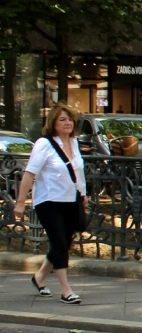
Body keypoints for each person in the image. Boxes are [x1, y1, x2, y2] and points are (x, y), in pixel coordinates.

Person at [13, 104, 87, 304]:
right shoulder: (44, 144)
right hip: (48, 201)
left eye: (70, 119)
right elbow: (30, 173)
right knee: (60, 243)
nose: (67, 123)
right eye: (62, 119)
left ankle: (39, 278)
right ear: (53, 123)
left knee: (64, 242)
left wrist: (83, 193)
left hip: (70, 200)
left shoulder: (74, 142)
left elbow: (78, 170)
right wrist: (20, 202)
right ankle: (66, 291)